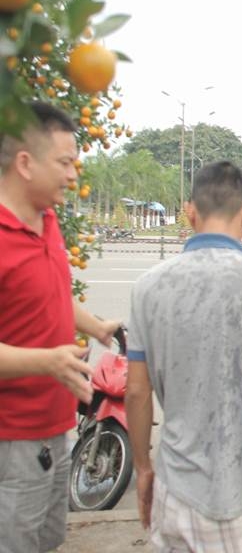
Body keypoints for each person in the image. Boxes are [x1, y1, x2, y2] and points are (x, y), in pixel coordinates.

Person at [125, 161, 242, 552]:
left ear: (189, 210)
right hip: (236, 494)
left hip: (173, 488)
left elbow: (137, 393)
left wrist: (143, 469)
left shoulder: (147, 288)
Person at [0, 100, 121, 553]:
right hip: (11, 438)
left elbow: (50, 295)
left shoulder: (47, 218)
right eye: (65, 163)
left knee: (45, 541)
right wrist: (47, 360)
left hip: (53, 429)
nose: (74, 175)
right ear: (25, 163)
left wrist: (97, 326)